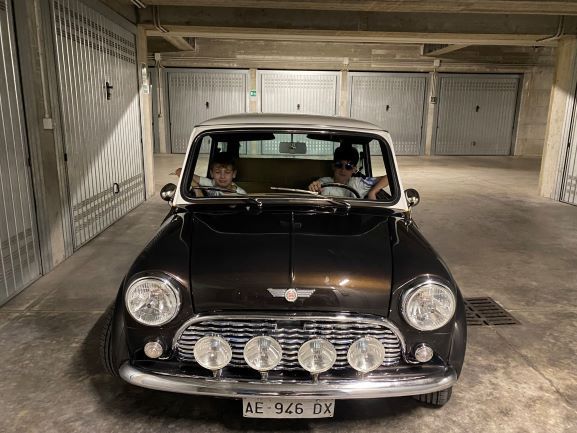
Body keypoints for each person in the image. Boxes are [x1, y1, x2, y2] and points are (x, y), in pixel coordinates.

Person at [308, 145, 388, 199]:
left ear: (354, 169)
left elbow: (388, 178)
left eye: (348, 166)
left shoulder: (359, 183)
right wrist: (314, 187)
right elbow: (316, 186)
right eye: (339, 165)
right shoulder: (324, 181)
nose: (343, 170)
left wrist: (373, 192)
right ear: (333, 166)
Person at [172, 152, 246, 197]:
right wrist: (195, 186)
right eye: (217, 172)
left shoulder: (241, 194)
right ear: (211, 173)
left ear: (234, 174)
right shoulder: (210, 183)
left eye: (227, 172)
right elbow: (180, 171)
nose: (222, 176)